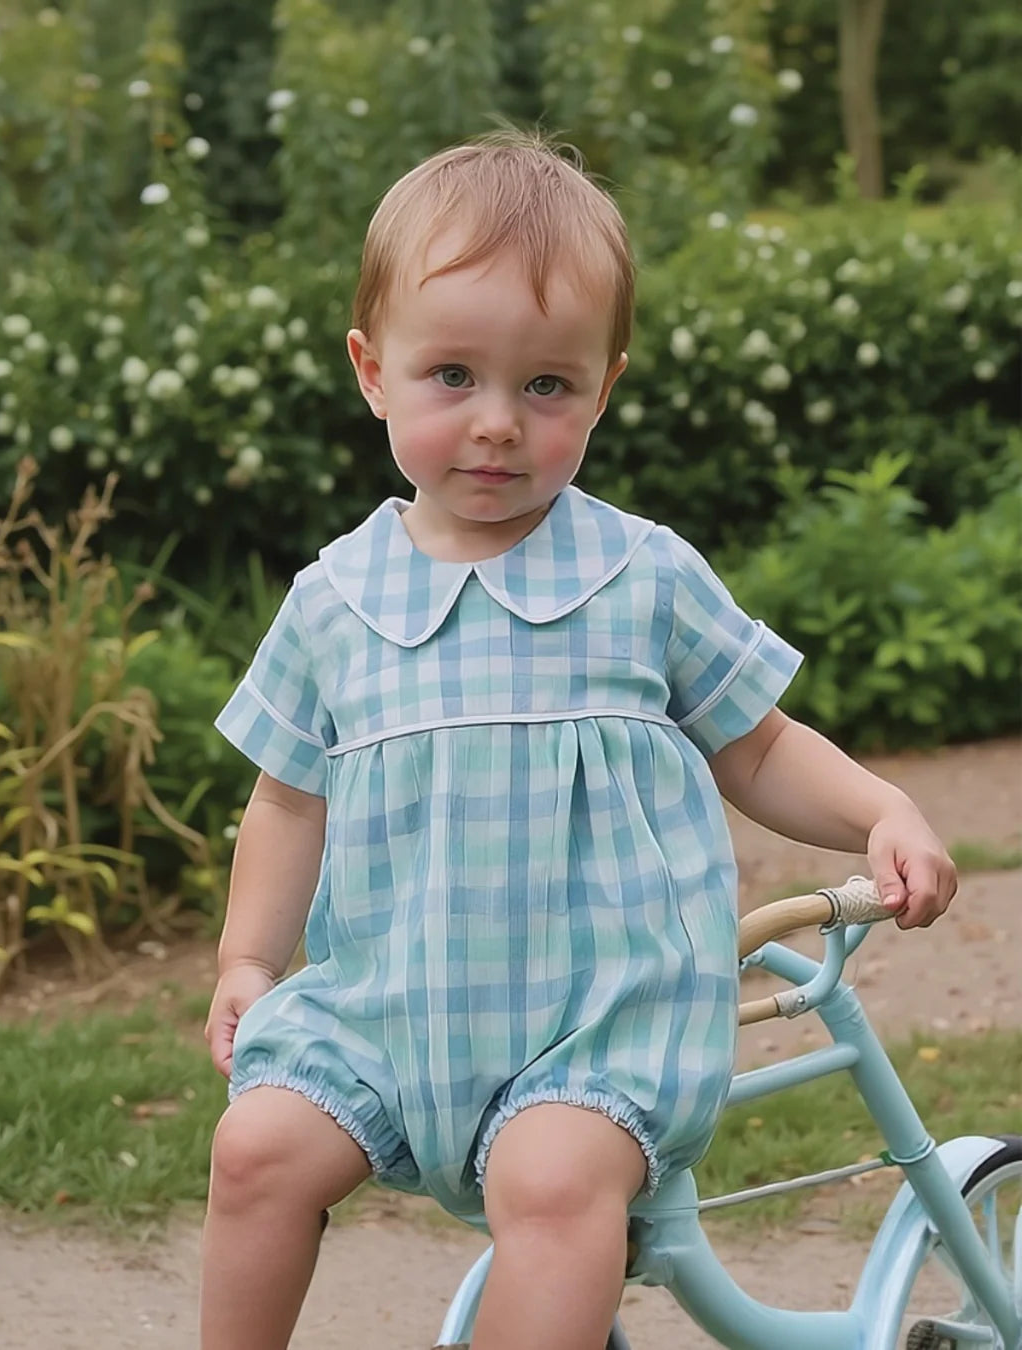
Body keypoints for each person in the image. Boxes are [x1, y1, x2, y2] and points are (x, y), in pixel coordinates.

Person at [199, 129, 957, 1350]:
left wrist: (882, 809)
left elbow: (754, 746)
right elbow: (290, 800)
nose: (497, 423)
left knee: (550, 1188)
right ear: (372, 370)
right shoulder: (333, 601)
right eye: (453, 374)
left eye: (545, 386)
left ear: (601, 388)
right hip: (389, 1012)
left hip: (595, 1021)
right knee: (256, 1147)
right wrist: (248, 962)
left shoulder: (639, 575)